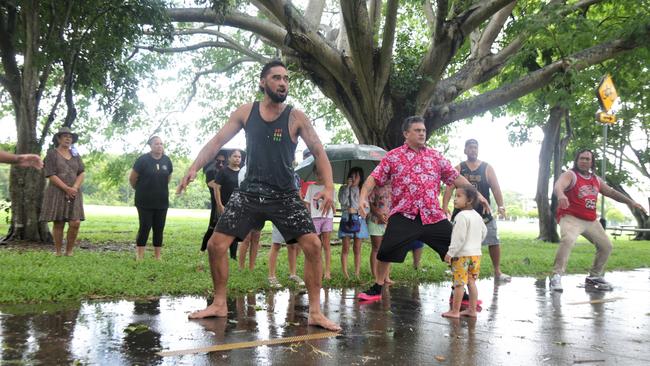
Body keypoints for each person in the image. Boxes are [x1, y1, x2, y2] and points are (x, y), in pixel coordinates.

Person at [176, 60, 340, 331]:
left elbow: (319, 150)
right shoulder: (246, 112)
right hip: (250, 192)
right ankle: (218, 303)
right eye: (276, 78)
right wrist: (194, 167)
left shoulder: (296, 117)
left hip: (285, 194)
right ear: (263, 82)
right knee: (216, 245)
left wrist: (329, 186)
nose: (283, 83)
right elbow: (217, 141)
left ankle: (314, 312)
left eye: (286, 78)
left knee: (313, 246)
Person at [356, 116, 489, 301]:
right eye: (417, 130)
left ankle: (458, 290)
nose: (422, 133)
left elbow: (455, 177)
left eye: (423, 130)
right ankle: (377, 287)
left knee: (457, 248)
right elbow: (373, 178)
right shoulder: (393, 156)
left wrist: (477, 195)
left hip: (432, 215)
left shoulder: (435, 156)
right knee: (386, 251)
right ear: (406, 133)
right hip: (404, 215)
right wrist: (363, 196)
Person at [549, 149, 647, 292]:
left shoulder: (595, 179)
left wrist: (630, 202)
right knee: (568, 240)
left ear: (592, 162)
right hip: (571, 217)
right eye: (581, 158)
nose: (584, 161)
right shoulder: (570, 175)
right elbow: (558, 185)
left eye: (587, 159)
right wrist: (561, 195)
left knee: (606, 246)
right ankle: (556, 276)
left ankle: (594, 277)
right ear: (577, 160)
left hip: (590, 220)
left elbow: (611, 192)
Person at [442, 138, 510, 282]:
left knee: (493, 240)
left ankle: (497, 272)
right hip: (462, 213)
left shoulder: (487, 168)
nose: (473, 150)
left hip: (483, 212)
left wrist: (501, 206)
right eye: (470, 147)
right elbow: (449, 187)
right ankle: (457, 269)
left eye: (475, 147)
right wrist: (444, 205)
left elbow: (496, 189)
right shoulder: (459, 168)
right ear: (465, 150)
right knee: (457, 240)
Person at [442, 185, 487, 318]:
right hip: (476, 255)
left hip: (462, 256)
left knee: (459, 283)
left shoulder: (461, 216)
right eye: (455, 196)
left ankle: (455, 311)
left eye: (458, 196)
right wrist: (475, 244)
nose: (454, 199)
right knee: (471, 282)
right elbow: (484, 232)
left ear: (470, 200)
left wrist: (450, 253)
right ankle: (472, 310)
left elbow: (458, 238)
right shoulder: (477, 216)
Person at [40, 127, 85, 256]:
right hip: (57, 191)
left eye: (70, 137)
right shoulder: (51, 154)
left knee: (75, 222)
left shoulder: (76, 154)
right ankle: (59, 251)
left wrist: (74, 188)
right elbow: (50, 174)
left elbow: (82, 172)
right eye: (65, 136)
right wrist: (66, 188)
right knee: (59, 222)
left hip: (74, 192)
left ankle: (69, 251)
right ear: (59, 139)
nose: (68, 138)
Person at [129, 136, 173, 260]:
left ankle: (157, 256)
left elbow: (168, 178)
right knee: (145, 227)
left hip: (162, 201)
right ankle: (140, 256)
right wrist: (141, 189)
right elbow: (132, 179)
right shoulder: (142, 160)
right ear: (150, 145)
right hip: (144, 201)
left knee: (159, 228)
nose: (159, 146)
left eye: (161, 144)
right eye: (156, 144)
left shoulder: (167, 160)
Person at [303, 165, 335, 280]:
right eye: (317, 173)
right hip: (314, 218)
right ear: (314, 173)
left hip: (327, 217)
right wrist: (308, 215)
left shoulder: (329, 187)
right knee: (316, 245)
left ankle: (327, 271)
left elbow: (332, 203)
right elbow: (307, 203)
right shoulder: (311, 187)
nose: (319, 175)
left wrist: (333, 210)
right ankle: (318, 270)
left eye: (321, 173)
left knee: (326, 245)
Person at [338, 167, 369, 279]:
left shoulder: (362, 191)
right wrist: (348, 188)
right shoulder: (343, 188)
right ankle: (345, 273)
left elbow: (367, 209)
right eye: (352, 175)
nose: (354, 178)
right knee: (345, 247)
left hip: (359, 221)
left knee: (357, 247)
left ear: (361, 178)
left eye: (357, 176)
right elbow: (342, 201)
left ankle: (357, 273)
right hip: (347, 219)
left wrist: (356, 210)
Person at [214, 149, 242, 260]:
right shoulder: (223, 172)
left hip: (239, 206)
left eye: (239, 157)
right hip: (225, 205)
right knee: (223, 231)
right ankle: (219, 253)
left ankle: (233, 256)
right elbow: (217, 188)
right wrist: (220, 205)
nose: (237, 159)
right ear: (229, 158)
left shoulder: (243, 172)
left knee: (235, 231)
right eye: (235, 156)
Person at [236, 163, 262, 271]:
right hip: (247, 206)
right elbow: (242, 188)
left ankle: (251, 267)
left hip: (260, 206)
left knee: (256, 238)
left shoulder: (263, 168)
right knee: (245, 239)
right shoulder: (244, 170)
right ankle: (241, 267)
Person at [201, 151, 227, 252]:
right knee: (212, 226)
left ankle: (229, 253)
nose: (221, 163)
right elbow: (212, 184)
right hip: (216, 201)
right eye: (218, 161)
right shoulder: (210, 171)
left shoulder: (225, 171)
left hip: (227, 200)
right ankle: (203, 249)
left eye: (223, 161)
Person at [367, 183, 393, 283]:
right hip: (375, 220)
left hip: (389, 221)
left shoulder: (395, 186)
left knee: (388, 248)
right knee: (376, 248)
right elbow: (370, 203)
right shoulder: (375, 185)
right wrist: (378, 214)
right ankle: (375, 275)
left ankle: (386, 276)